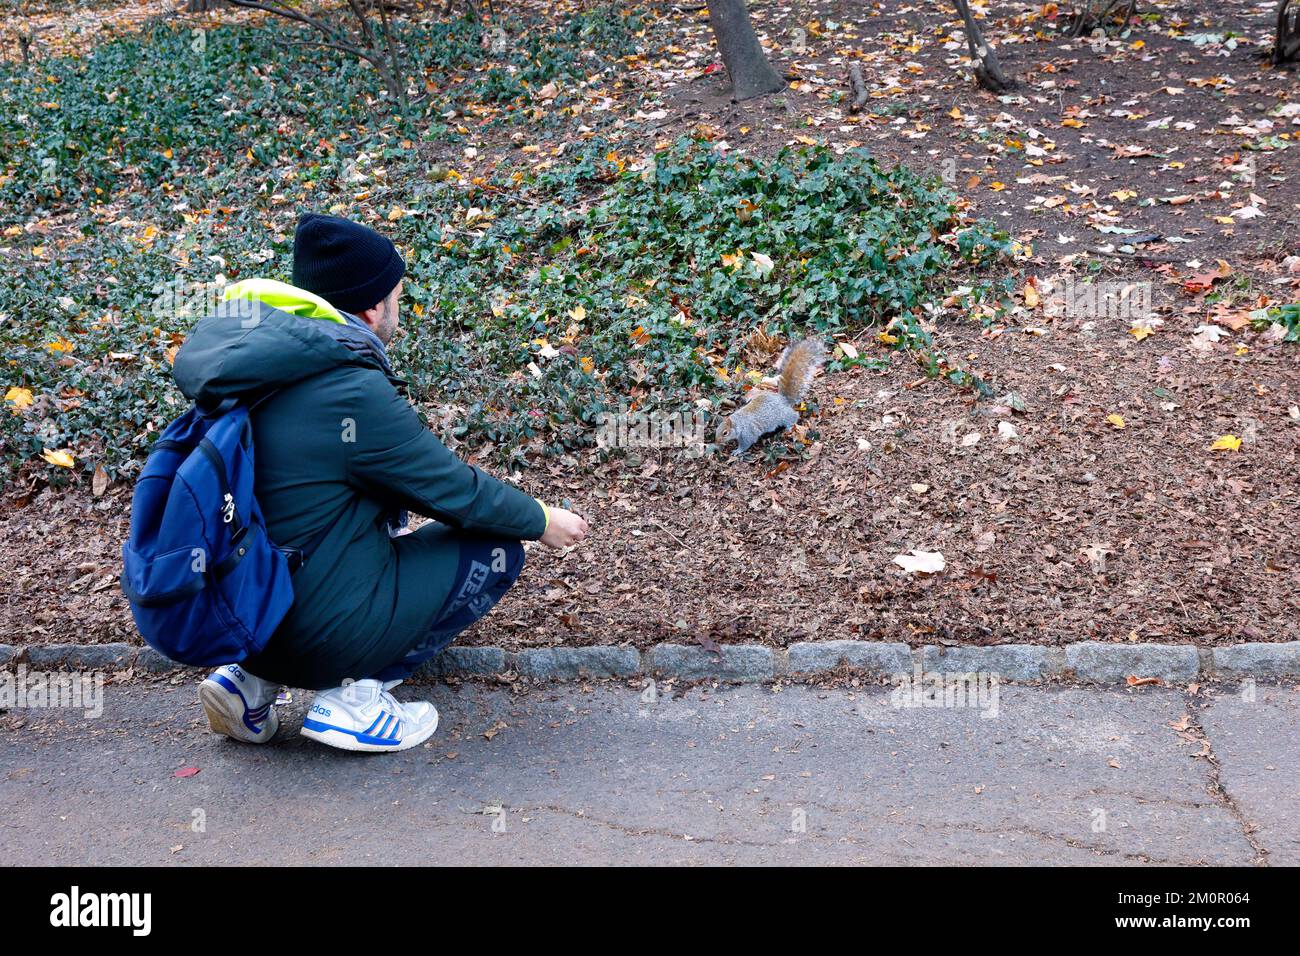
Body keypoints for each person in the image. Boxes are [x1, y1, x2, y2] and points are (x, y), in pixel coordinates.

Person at [173, 213, 588, 753]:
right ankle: (353, 698)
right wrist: (541, 519)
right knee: (496, 549)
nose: (399, 309)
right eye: (396, 296)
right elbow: (454, 491)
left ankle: (250, 683)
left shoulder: (253, 366)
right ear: (372, 307)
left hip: (239, 616)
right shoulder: (347, 388)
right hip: (314, 629)